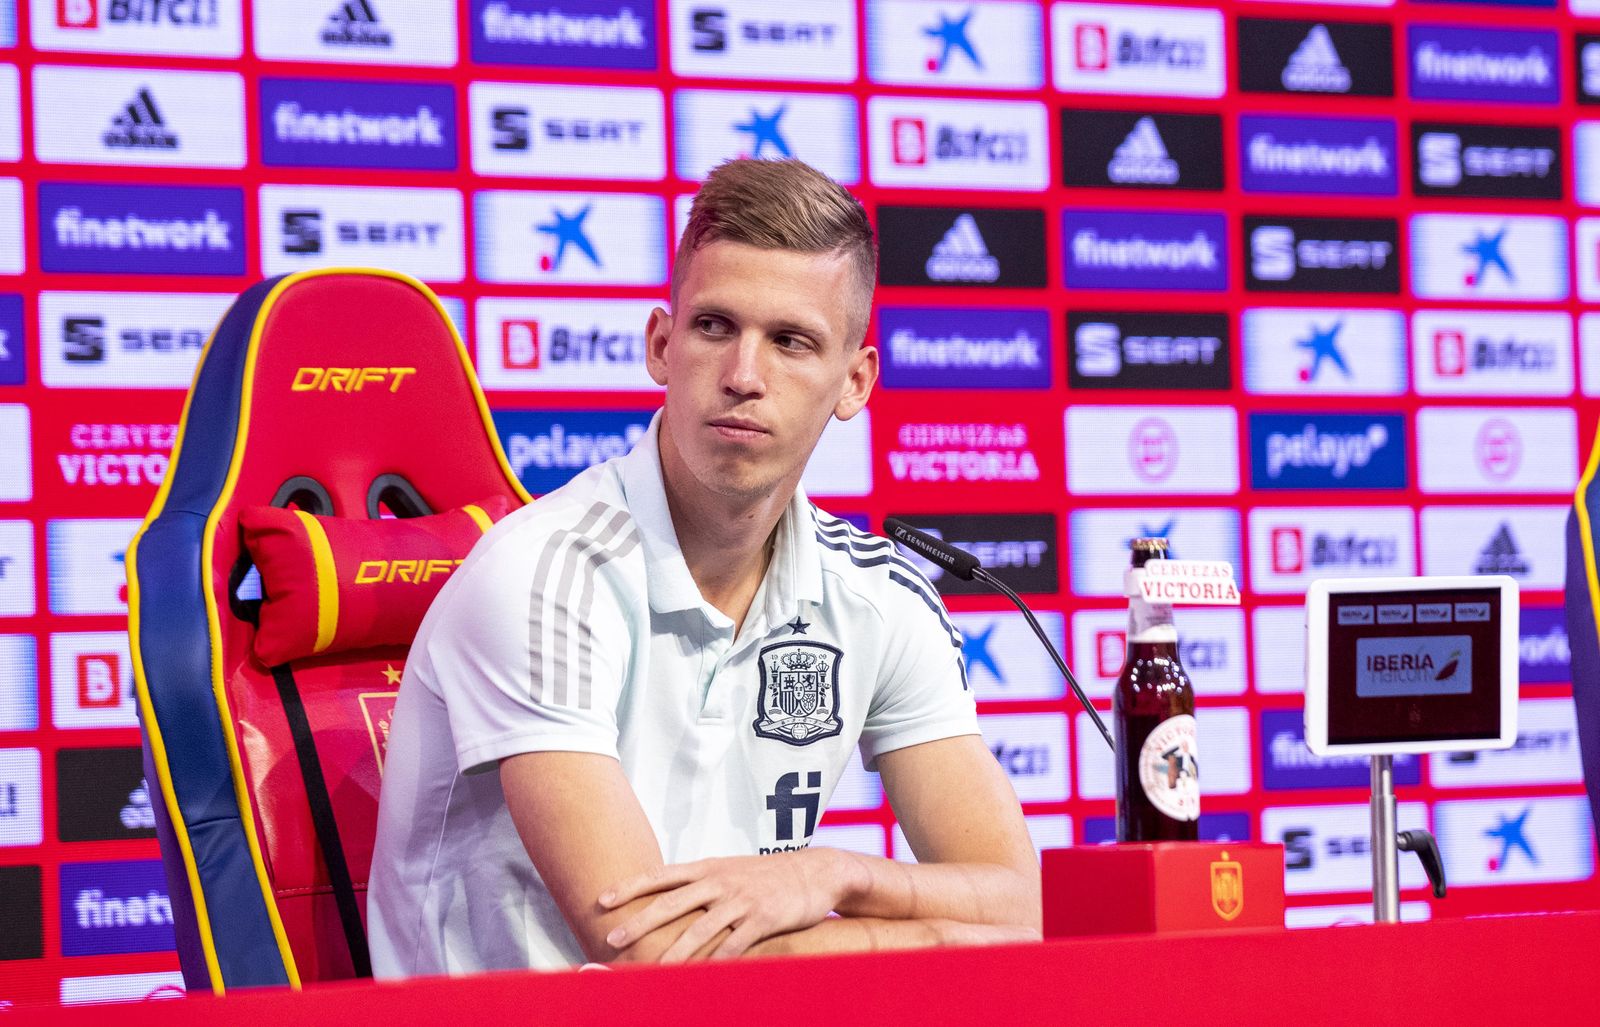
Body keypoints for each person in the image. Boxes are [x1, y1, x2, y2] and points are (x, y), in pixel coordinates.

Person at [367, 158, 1040, 976]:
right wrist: (934, 935)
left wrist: (831, 872)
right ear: (661, 343)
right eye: (715, 327)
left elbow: (1021, 906)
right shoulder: (540, 578)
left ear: (854, 382)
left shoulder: (881, 596)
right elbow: (649, 953)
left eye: (791, 341)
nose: (743, 377)